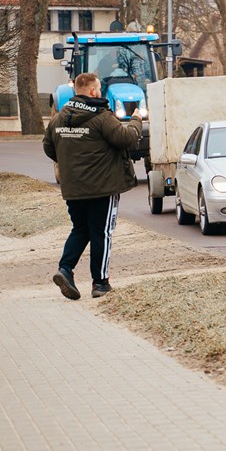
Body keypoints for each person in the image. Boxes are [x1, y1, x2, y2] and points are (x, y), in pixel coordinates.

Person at [43, 72, 140, 300]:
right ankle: (100, 283)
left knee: (80, 229)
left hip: (73, 188)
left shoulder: (59, 119)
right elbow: (126, 139)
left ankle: (65, 269)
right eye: (99, 89)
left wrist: (70, 162)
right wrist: (136, 120)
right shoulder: (102, 116)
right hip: (102, 188)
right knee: (101, 233)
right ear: (94, 91)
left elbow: (48, 147)